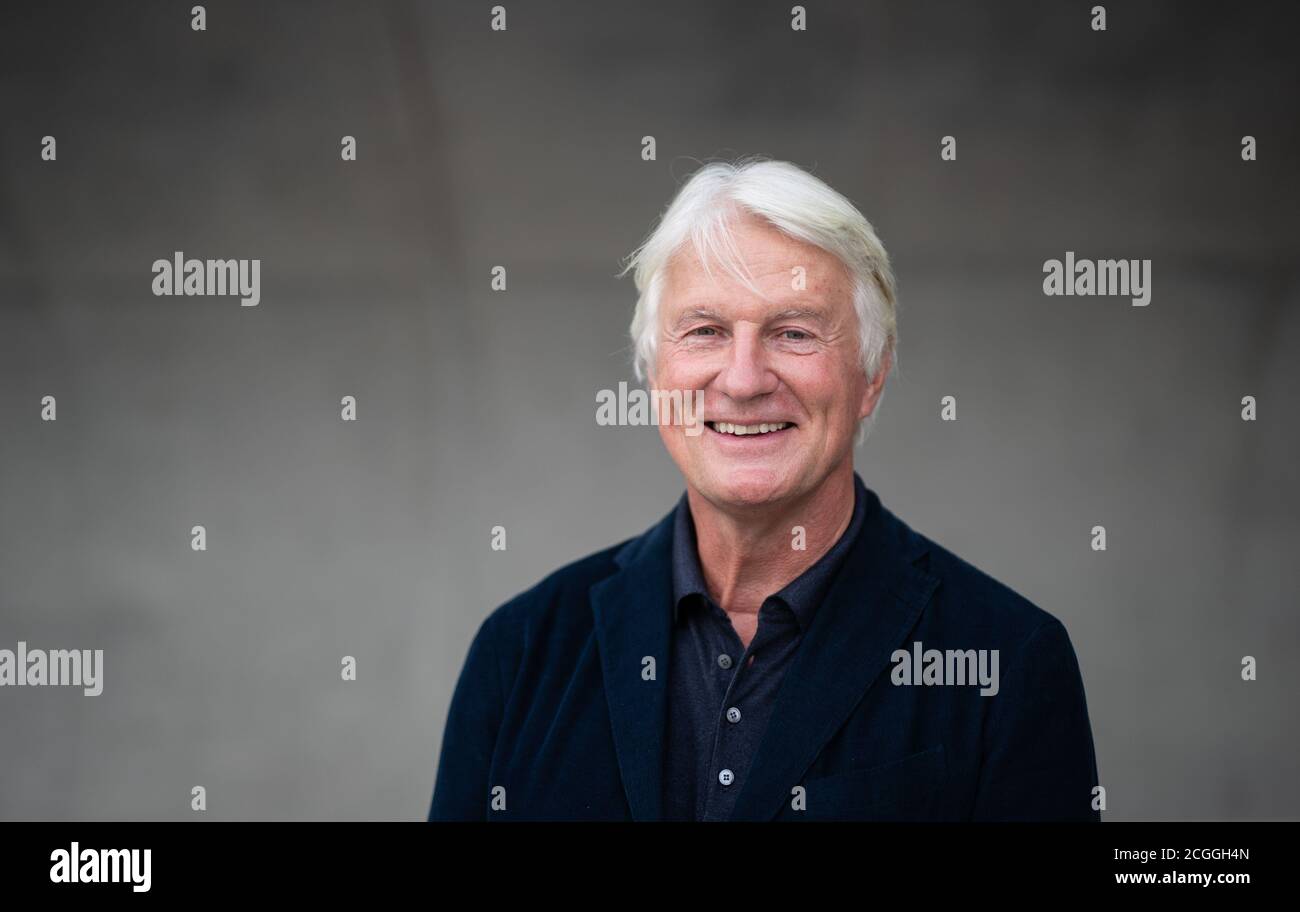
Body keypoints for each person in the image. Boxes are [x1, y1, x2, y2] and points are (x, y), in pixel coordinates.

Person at [429, 157, 1101, 821]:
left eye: (793, 332)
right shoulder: (517, 654)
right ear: (653, 372)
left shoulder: (1007, 662)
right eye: (705, 332)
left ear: (872, 375)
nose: (744, 380)